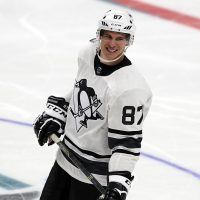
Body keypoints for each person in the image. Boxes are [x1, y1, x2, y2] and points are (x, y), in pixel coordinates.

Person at [33, 9, 152, 200]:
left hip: (92, 180)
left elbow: (126, 145)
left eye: (119, 38)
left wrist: (117, 185)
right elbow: (82, 91)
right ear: (99, 35)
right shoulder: (87, 54)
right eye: (108, 36)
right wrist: (58, 114)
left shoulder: (130, 89)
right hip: (64, 162)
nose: (112, 43)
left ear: (128, 41)